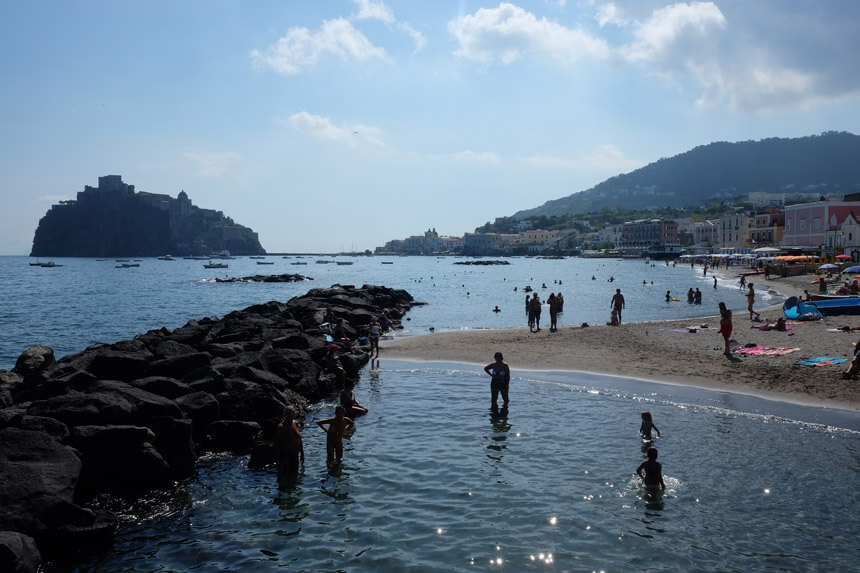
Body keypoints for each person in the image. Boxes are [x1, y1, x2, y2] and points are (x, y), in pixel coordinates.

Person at [275, 406, 305, 477]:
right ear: (284, 415)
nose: (290, 415)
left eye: (292, 413)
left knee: (295, 475)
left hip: (295, 455)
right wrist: (279, 462)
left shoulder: (296, 423)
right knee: (286, 475)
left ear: (294, 414)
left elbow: (299, 439)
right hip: (285, 456)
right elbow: (276, 445)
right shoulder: (281, 427)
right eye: (288, 413)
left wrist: (302, 453)